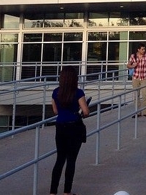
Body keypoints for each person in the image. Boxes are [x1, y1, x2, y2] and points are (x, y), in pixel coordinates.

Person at [49, 66, 90, 195]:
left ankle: (52, 191)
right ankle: (67, 191)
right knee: (71, 160)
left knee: (60, 159)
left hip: (60, 126)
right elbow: (86, 112)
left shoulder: (56, 92)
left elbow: (55, 111)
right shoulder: (78, 93)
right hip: (74, 126)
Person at [129, 43, 146, 118]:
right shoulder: (133, 56)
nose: (144, 50)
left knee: (145, 94)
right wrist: (132, 65)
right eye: (142, 49)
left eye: (144, 49)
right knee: (136, 95)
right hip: (135, 77)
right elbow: (128, 65)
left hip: (144, 78)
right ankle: (137, 112)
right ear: (138, 49)